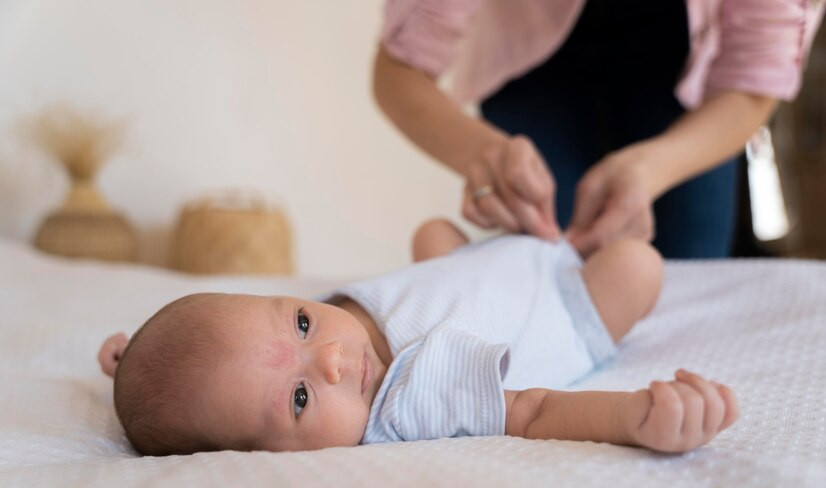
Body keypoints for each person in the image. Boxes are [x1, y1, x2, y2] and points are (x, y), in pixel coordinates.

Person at [98, 221, 738, 456]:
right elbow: (533, 411)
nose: (333, 358)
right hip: (561, 300)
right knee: (637, 263)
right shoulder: (408, 398)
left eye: (300, 322)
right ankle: (589, 253)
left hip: (476, 261)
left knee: (433, 232)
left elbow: (222, 361)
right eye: (298, 399)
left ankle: (526, 238)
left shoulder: (322, 330)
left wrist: (141, 361)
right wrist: (632, 418)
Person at [373, 0, 825, 258]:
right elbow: (399, 70)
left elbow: (752, 81)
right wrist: (482, 154)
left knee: (690, 261)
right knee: (551, 258)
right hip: (532, 71)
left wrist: (649, 169)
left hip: (682, 75)